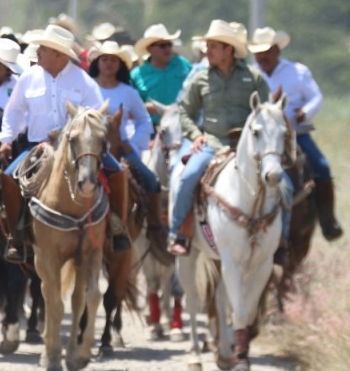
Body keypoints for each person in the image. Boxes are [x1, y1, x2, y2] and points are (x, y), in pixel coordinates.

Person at [0, 25, 131, 261]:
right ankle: (16, 236)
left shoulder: (83, 80)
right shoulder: (29, 77)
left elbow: (97, 118)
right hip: (38, 147)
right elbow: (14, 112)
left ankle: (118, 227)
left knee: (118, 172)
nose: (37, 52)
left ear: (58, 53)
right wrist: (6, 140)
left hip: (78, 148)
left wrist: (71, 133)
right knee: (9, 176)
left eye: (43, 48)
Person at [168, 20, 274, 257]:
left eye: (214, 46)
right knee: (187, 177)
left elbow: (266, 112)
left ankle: (280, 240)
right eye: (207, 46)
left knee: (282, 182)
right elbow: (184, 110)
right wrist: (195, 135)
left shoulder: (253, 78)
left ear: (229, 49)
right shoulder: (200, 78)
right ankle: (179, 234)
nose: (208, 51)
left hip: (246, 147)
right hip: (212, 144)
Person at [250, 27, 342, 240]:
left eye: (266, 51)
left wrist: (305, 112)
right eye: (258, 51)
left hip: (295, 134)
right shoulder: (251, 75)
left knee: (321, 167)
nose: (262, 56)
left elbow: (316, 97)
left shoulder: (297, 72)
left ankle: (327, 220)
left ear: (276, 51)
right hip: (262, 137)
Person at [88, 41, 166, 249]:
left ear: (120, 65)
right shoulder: (87, 87)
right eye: (104, 59)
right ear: (98, 62)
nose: (108, 64)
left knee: (151, 180)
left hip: (119, 150)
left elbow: (144, 121)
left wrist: (132, 143)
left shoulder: (128, 92)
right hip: (88, 149)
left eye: (114, 60)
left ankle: (155, 226)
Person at [130, 23, 192, 127]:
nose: (167, 49)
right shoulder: (137, 75)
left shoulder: (183, 64)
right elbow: (131, 107)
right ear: (149, 49)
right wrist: (148, 108)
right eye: (162, 46)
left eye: (169, 44)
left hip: (184, 125)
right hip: (151, 129)